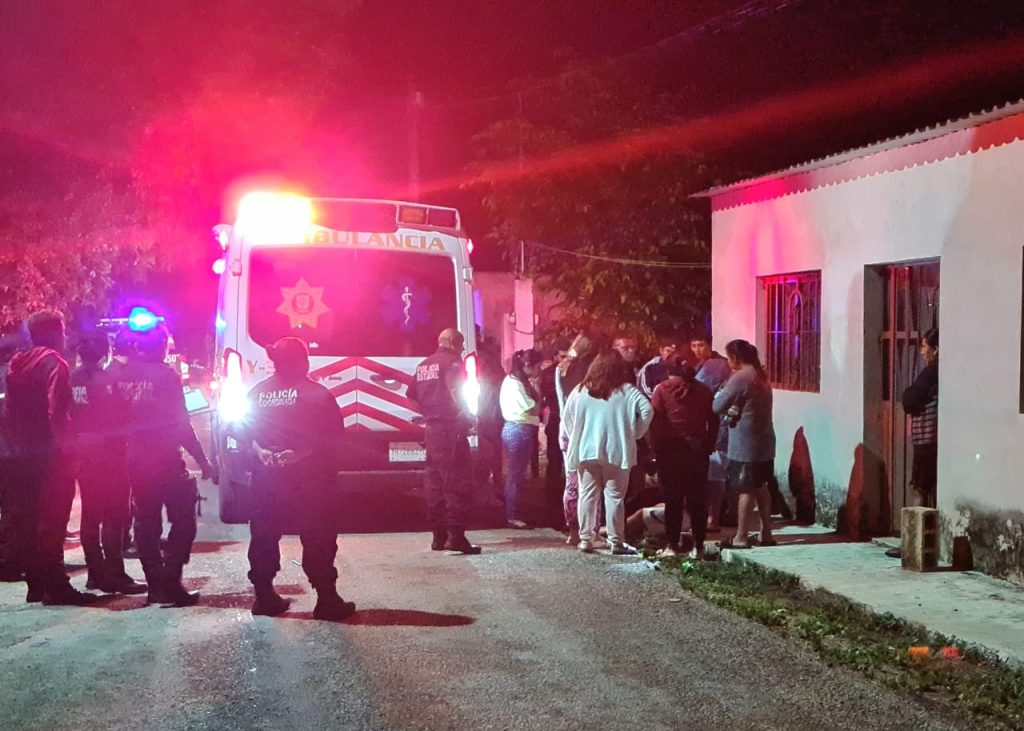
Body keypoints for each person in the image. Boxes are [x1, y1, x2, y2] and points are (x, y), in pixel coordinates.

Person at [244, 337, 355, 620]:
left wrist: (261, 452)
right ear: (302, 362)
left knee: (264, 535)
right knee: (318, 536)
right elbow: (333, 439)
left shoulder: (256, 393)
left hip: (267, 480)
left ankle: (264, 597)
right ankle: (327, 600)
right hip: (310, 482)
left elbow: (243, 432)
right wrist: (300, 455)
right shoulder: (317, 394)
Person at [116, 324, 215, 606]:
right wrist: (203, 462)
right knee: (184, 522)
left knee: (146, 523)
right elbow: (181, 423)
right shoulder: (166, 376)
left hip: (135, 461)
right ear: (161, 345)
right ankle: (170, 581)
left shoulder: (124, 374)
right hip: (165, 460)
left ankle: (155, 585)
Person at [4, 310, 93, 604]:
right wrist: (69, 452)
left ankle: (36, 584)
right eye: (63, 331)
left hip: (21, 455)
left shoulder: (16, 364)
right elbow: (58, 413)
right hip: (50, 456)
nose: (65, 337)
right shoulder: (54, 363)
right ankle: (56, 587)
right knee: (53, 521)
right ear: (55, 333)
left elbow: (9, 413)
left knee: (29, 520)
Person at [71, 331, 146, 594]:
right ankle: (114, 573)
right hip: (110, 457)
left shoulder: (72, 380)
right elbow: (122, 419)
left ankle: (95, 573)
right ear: (106, 351)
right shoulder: (109, 381)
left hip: (83, 457)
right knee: (115, 516)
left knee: (90, 516)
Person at [561, 350, 653, 555]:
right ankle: (616, 542)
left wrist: (577, 434)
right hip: (617, 452)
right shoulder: (627, 391)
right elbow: (648, 410)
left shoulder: (581, 390)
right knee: (615, 497)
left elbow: (567, 417)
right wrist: (635, 433)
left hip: (586, 451)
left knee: (587, 495)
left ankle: (586, 539)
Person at [408, 328, 480, 555]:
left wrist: (429, 414)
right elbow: (456, 390)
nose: (462, 348)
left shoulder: (423, 365)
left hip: (431, 431)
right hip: (451, 430)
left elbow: (411, 397)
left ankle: (438, 537)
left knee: (435, 484)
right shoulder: (453, 363)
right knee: (458, 483)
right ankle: (456, 537)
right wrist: (468, 415)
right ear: (451, 342)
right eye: (461, 343)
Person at [650, 356, 718, 558]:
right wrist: (708, 445)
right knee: (697, 500)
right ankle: (698, 547)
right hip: (697, 450)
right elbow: (713, 420)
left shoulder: (662, 390)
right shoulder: (704, 390)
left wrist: (655, 449)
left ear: (667, 370)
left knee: (673, 501)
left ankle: (672, 545)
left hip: (670, 450)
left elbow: (655, 422)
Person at [713, 339, 776, 549]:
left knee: (745, 488)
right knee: (761, 487)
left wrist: (722, 395)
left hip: (746, 443)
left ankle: (741, 537)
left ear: (735, 357)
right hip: (764, 441)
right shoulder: (760, 375)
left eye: (728, 357)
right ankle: (766, 533)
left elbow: (717, 405)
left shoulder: (741, 378)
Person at [887, 328, 939, 559]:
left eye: (924, 346)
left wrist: (909, 394)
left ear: (936, 349)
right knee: (929, 489)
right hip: (933, 439)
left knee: (919, 489)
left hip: (927, 440)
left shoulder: (931, 373)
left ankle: (912, 544)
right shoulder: (938, 373)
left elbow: (909, 400)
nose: (922, 352)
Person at [554, 332, 601, 544]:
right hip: (587, 429)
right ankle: (591, 530)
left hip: (566, 428)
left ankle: (573, 530)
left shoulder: (561, 369)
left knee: (572, 482)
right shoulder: (589, 373)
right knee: (592, 483)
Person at [690, 330, 733, 532]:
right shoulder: (698, 366)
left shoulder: (716, 365)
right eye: (694, 346)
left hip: (718, 426)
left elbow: (699, 390)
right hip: (707, 425)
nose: (697, 350)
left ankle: (713, 517)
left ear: (709, 345)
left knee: (716, 473)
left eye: (701, 345)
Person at [500, 349, 543, 529]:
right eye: (538, 366)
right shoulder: (515, 384)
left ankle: (515, 513)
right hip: (518, 430)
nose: (539, 370)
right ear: (527, 365)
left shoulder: (515, 381)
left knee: (517, 475)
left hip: (518, 429)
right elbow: (533, 409)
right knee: (515, 475)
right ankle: (512, 516)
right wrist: (538, 389)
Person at [474, 338, 505, 508]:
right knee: (493, 457)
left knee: (487, 457)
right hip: (493, 420)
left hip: (487, 420)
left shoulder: (486, 377)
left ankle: (486, 491)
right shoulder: (496, 374)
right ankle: (494, 489)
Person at [540, 343, 569, 515]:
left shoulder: (572, 371)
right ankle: (551, 495)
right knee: (554, 459)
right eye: (562, 356)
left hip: (568, 420)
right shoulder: (550, 373)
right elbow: (549, 394)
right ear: (555, 357)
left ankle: (565, 494)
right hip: (556, 419)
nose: (565, 360)